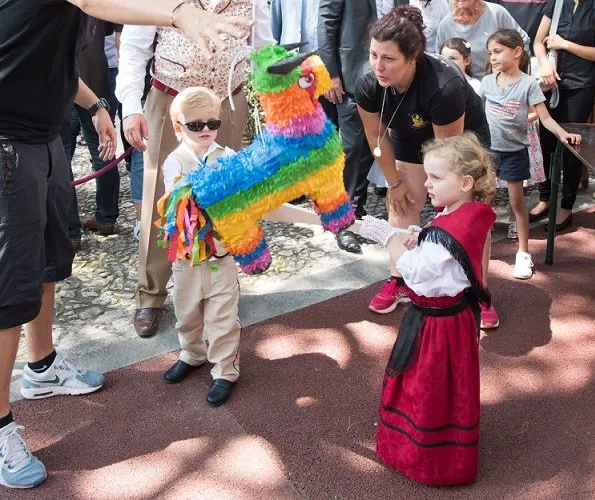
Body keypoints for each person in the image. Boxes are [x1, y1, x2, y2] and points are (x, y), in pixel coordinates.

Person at [0, 0, 252, 490]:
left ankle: (42, 366)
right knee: (8, 293)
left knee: (50, 265)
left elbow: (41, 58)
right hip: (9, 145)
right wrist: (183, 14)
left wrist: (94, 106)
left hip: (44, 137)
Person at [116, 0, 272, 339]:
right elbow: (133, 48)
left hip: (228, 103)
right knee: (162, 198)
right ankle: (151, 294)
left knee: (220, 201)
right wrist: (130, 105)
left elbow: (263, 47)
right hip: (170, 101)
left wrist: (280, 90)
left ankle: (215, 288)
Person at [360, 133, 497, 485]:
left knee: (430, 388)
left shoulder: (455, 222)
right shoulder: (464, 212)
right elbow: (440, 243)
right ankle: (431, 453)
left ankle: (430, 461)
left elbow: (416, 273)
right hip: (450, 322)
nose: (426, 183)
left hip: (438, 329)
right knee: (439, 388)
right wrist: (419, 235)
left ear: (465, 182)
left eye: (436, 177)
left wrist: (388, 238)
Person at [355, 6, 491, 319]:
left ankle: (478, 291)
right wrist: (395, 183)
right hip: (407, 136)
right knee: (400, 204)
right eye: (374, 55)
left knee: (465, 216)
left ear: (413, 56)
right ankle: (400, 280)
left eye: (388, 59)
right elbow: (376, 139)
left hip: (459, 144)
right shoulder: (369, 83)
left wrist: (445, 211)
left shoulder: (444, 86)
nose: (378, 66)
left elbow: (447, 157)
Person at [161, 87, 240, 406]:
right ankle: (192, 352)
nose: (206, 129)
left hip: (221, 253)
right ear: (179, 127)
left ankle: (225, 370)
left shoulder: (229, 157)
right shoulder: (174, 161)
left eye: (213, 122)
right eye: (196, 125)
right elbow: (178, 204)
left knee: (223, 315)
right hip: (187, 256)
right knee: (186, 310)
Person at [481, 29, 581, 279]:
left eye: (497, 51)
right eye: (490, 53)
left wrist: (563, 134)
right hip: (488, 152)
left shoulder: (528, 84)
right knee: (485, 201)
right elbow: (479, 115)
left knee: (517, 204)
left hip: (514, 152)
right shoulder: (486, 82)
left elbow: (545, 118)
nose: (492, 58)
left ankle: (523, 254)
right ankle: (478, 249)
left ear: (516, 52)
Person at [318, 0, 388, 254]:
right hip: (351, 76)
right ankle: (342, 221)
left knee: (375, 146)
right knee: (351, 148)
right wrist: (331, 74)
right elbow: (326, 25)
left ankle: (357, 209)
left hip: (391, 74)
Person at [528, 0, 595, 230]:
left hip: (582, 84)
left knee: (571, 144)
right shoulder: (556, 3)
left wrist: (565, 44)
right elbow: (538, 42)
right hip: (551, 83)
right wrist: (545, 63)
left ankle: (566, 206)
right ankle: (545, 198)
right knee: (544, 139)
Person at [436, 0, 531, 79]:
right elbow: (440, 64)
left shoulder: (496, 13)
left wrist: (509, 73)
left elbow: (523, 42)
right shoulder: (445, 25)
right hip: (463, 87)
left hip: (501, 83)